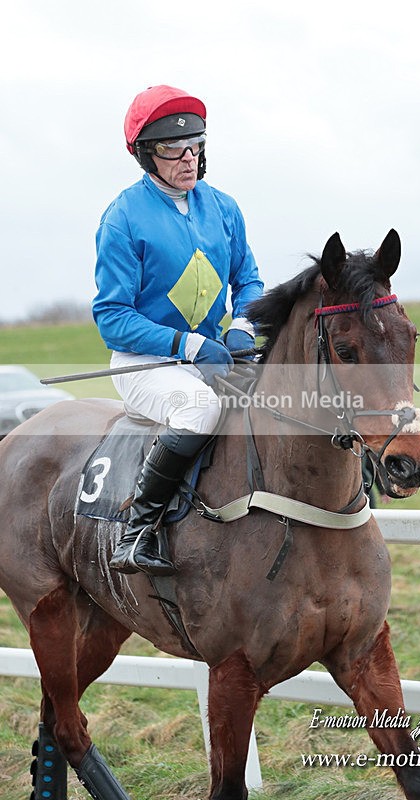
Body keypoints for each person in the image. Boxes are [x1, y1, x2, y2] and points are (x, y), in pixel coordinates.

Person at [93, 85, 264, 576]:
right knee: (199, 408)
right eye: (173, 149)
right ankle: (137, 532)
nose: (189, 158)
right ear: (146, 154)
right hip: (146, 363)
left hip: (214, 356)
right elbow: (112, 317)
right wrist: (189, 344)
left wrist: (243, 324)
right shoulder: (123, 218)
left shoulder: (224, 208)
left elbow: (249, 280)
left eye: (196, 146)